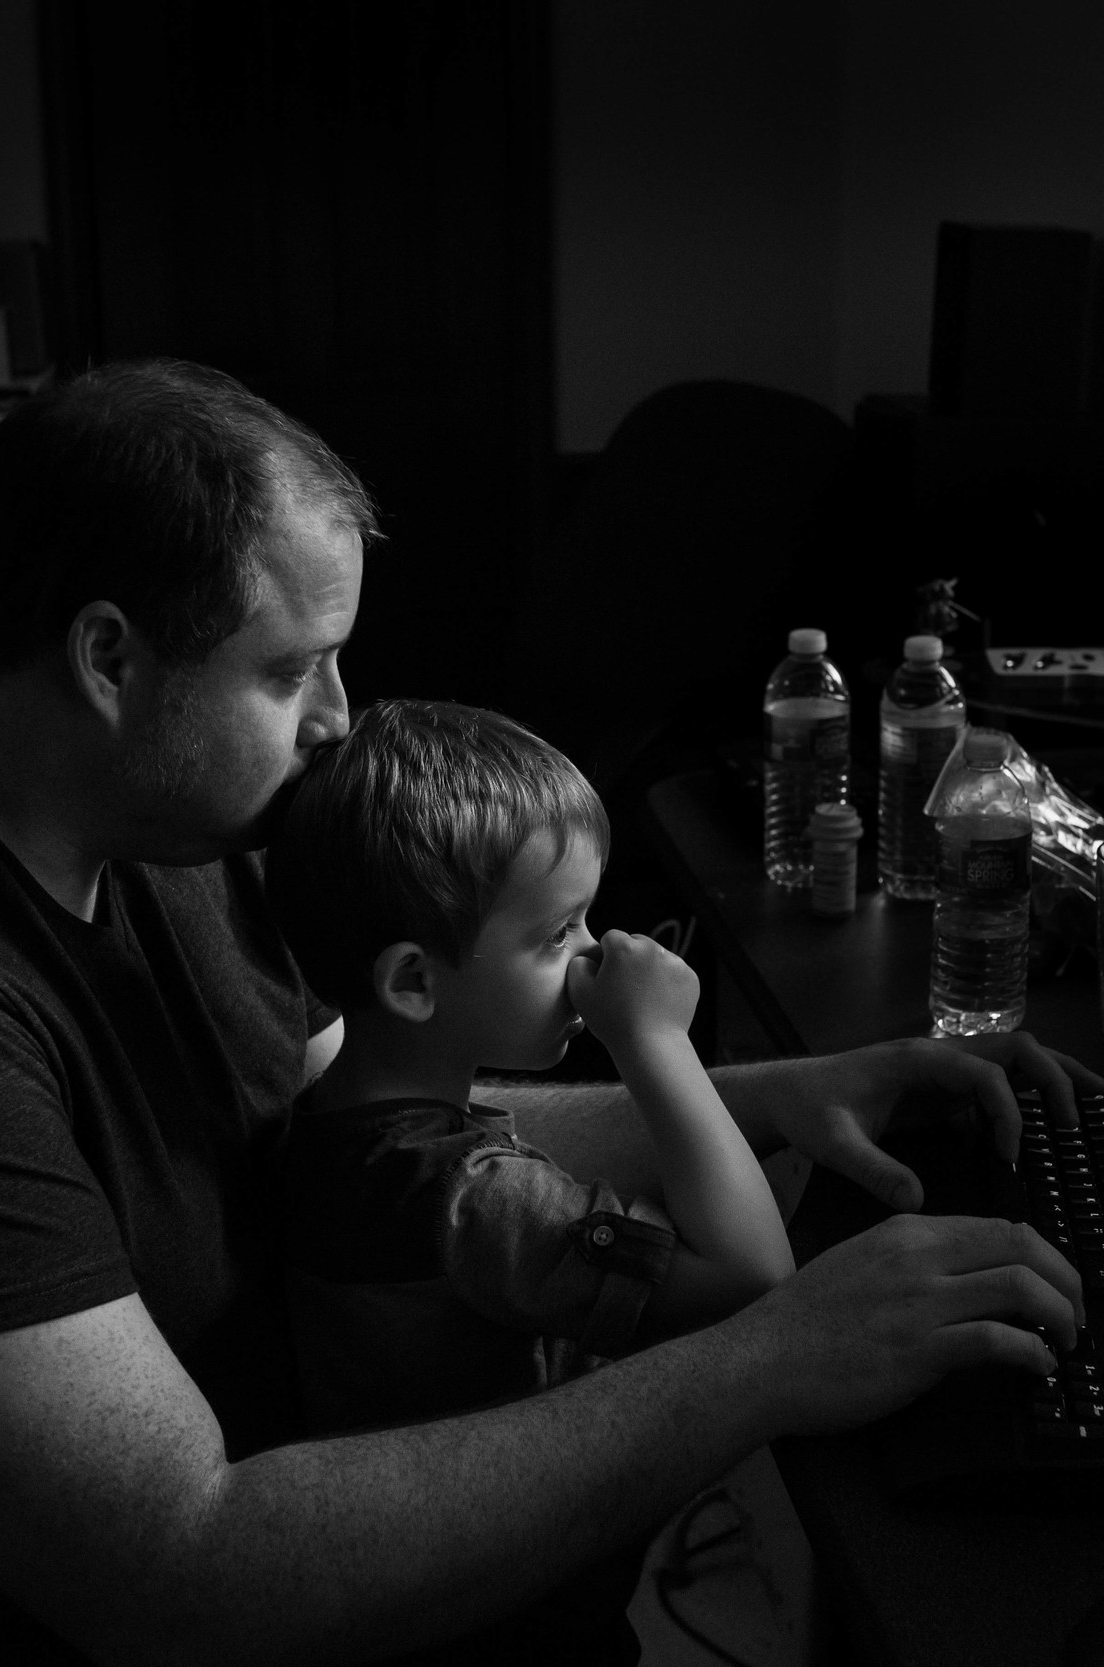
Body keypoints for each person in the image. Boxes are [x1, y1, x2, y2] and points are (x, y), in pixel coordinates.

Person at [0, 357, 1087, 1664]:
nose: (340, 722)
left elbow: (362, 1121)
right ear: (108, 655)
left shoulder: (148, 802)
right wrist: (766, 1360)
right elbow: (180, 1574)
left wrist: (765, 1095)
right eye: (295, 668)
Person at [271, 699, 795, 1662]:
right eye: (558, 934)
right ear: (414, 984)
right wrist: (655, 1042)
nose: (596, 955)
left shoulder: (325, 1129)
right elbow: (754, 1274)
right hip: (522, 1629)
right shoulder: (471, 1196)